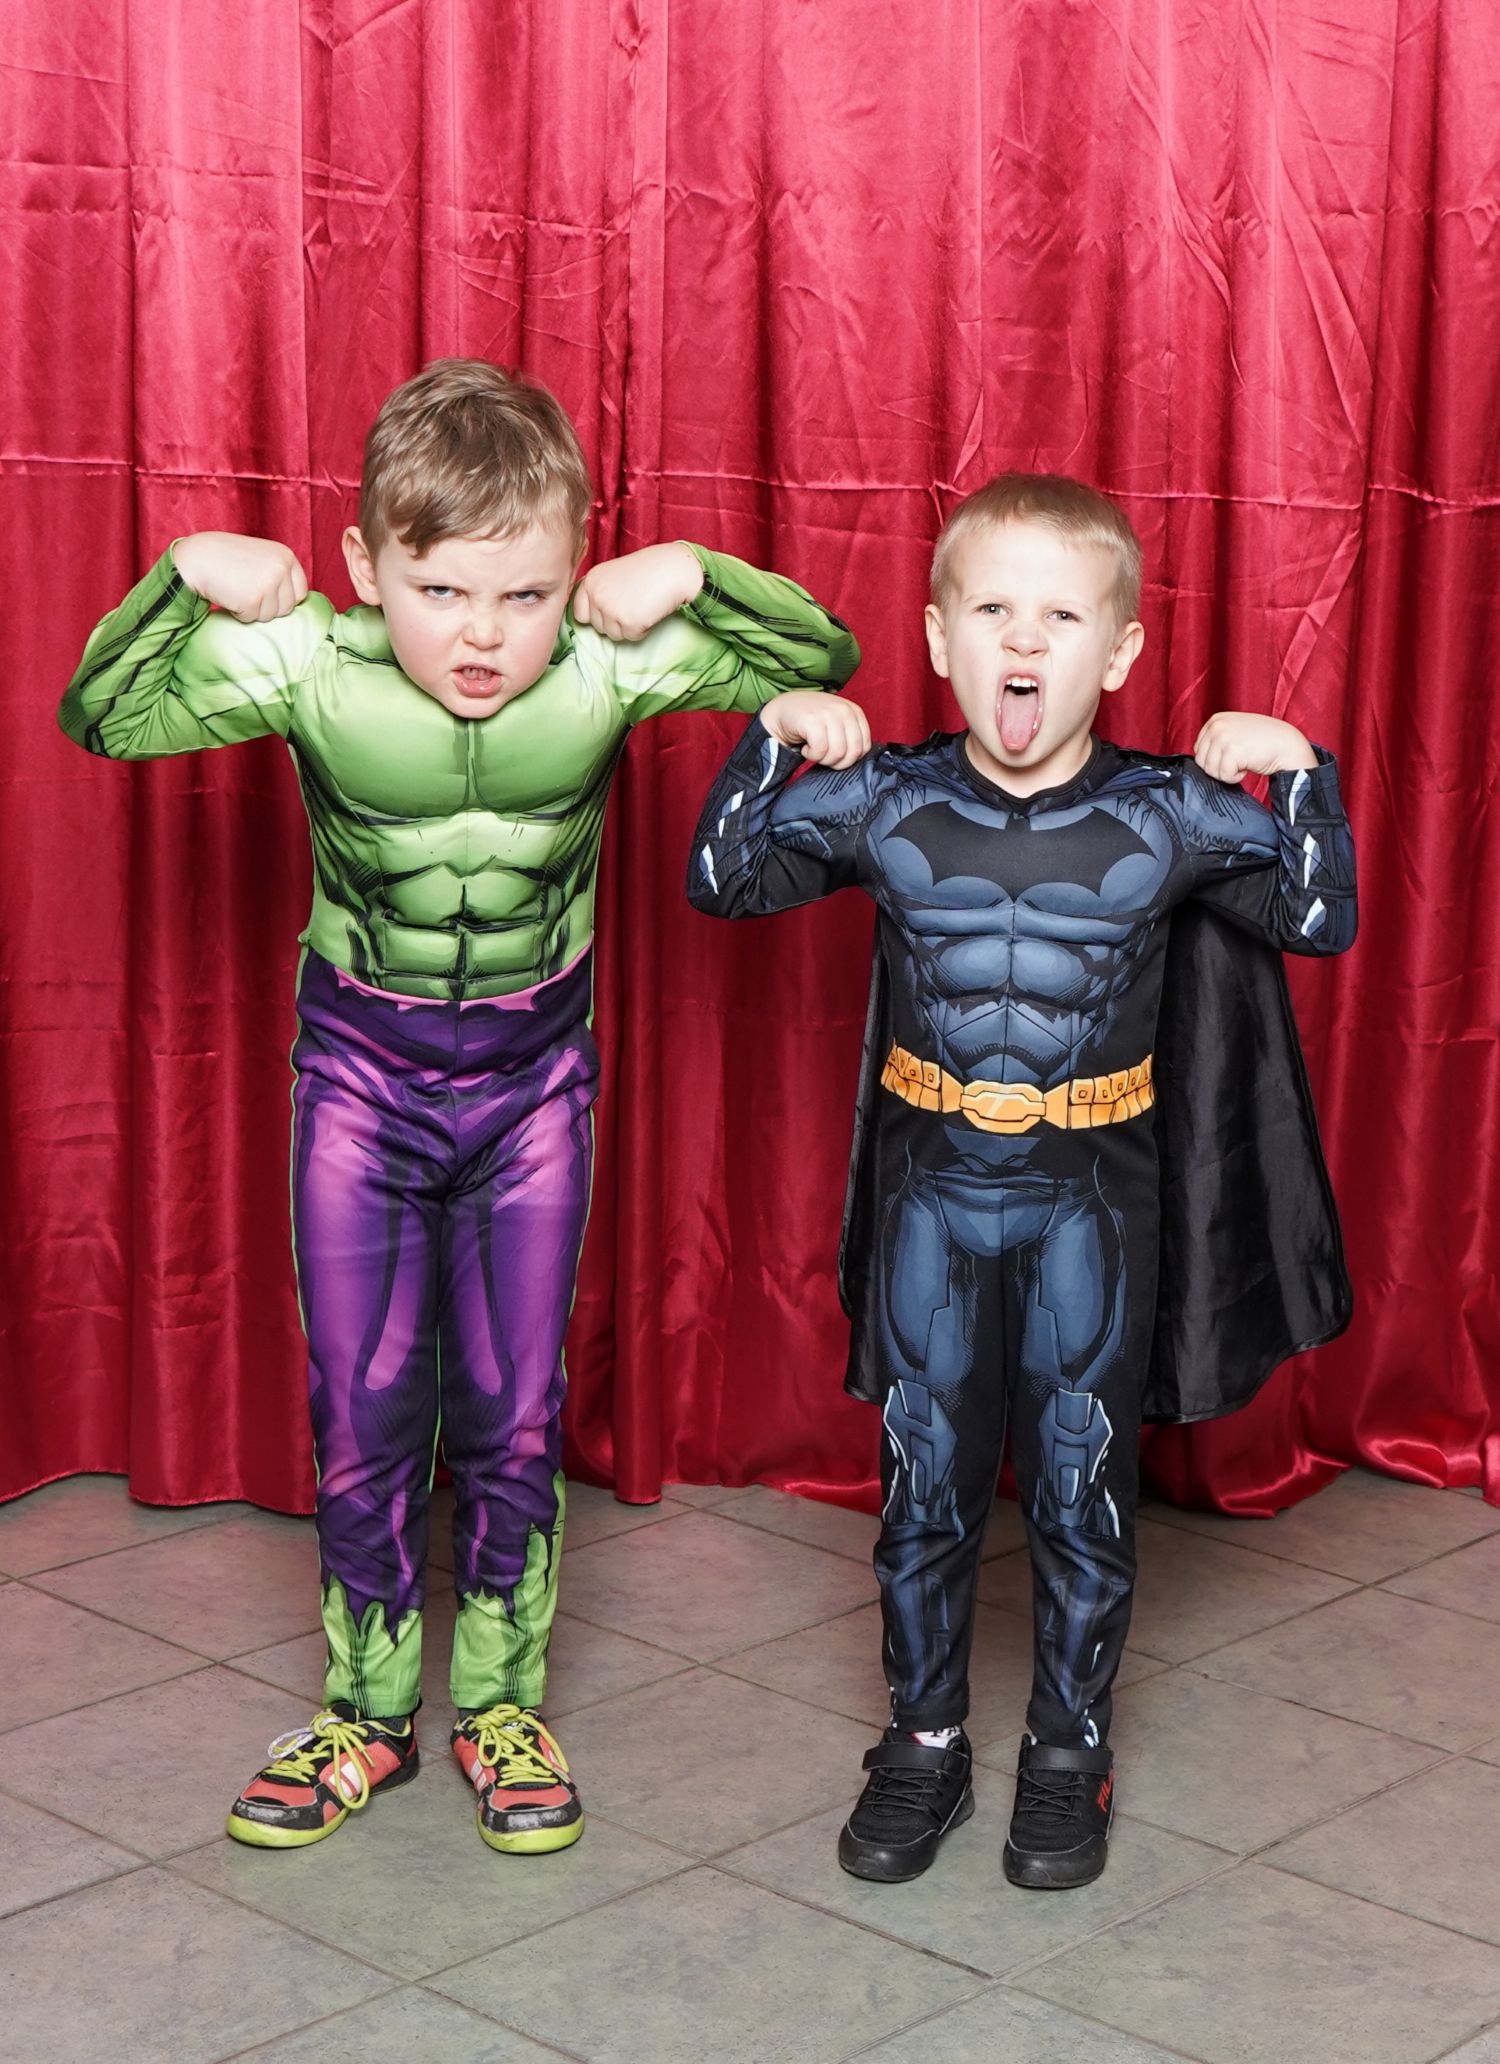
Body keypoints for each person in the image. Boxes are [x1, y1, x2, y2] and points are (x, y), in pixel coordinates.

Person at [59, 357, 858, 1855]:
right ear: (368, 566)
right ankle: (366, 1717)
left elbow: (821, 657)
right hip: (360, 1083)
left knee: (512, 1404)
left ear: (572, 573)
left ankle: (500, 1706)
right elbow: (106, 715)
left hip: (533, 1087)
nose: (483, 635)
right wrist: (183, 570)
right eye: (439, 591)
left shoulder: (606, 666)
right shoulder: (309, 664)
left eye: (523, 594)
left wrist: (691, 569)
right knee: (362, 1407)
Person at [688, 472, 1355, 1890]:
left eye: (1059, 616)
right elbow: (723, 879)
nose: (1024, 640)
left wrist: (1298, 768)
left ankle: (1068, 1750)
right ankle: (923, 1740)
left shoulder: (1170, 814)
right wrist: (771, 739)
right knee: (924, 1490)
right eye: (992, 610)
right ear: (941, 638)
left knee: (1079, 1488)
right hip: (933, 1198)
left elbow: (1316, 914)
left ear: (1117, 653)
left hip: (1088, 1208)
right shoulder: (889, 797)